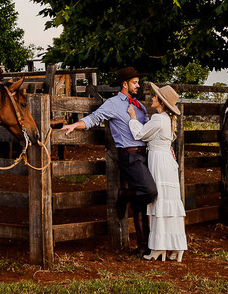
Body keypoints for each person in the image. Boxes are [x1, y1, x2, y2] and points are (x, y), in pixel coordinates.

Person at [61, 66, 157, 253]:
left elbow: (147, 130)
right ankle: (124, 195)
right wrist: (75, 125)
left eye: (138, 82)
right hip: (129, 156)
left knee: (142, 200)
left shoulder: (140, 106)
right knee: (150, 191)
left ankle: (143, 246)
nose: (138, 86)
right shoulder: (113, 104)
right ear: (124, 84)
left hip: (145, 154)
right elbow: (94, 118)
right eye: (135, 82)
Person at [128, 82, 187, 261]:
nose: (152, 98)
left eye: (155, 97)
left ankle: (158, 248)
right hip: (166, 161)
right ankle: (177, 247)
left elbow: (140, 134)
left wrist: (132, 117)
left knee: (159, 202)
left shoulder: (158, 119)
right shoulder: (167, 120)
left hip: (159, 161)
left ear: (161, 102)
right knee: (170, 204)